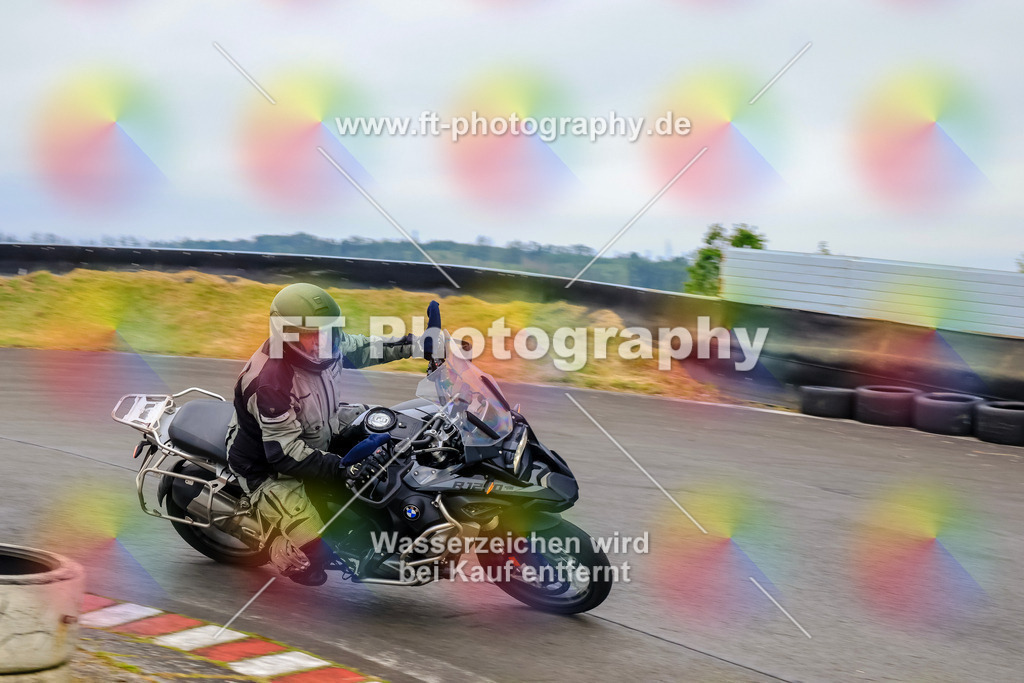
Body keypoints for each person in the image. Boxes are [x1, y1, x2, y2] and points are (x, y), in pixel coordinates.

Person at [225, 282, 433, 585]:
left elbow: (367, 348)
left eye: (329, 329)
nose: (323, 339)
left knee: (392, 425)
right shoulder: (271, 382)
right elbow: (284, 453)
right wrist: (340, 469)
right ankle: (284, 551)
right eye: (313, 333)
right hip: (268, 466)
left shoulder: (327, 347)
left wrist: (420, 344)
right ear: (288, 334)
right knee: (316, 551)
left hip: (321, 427)